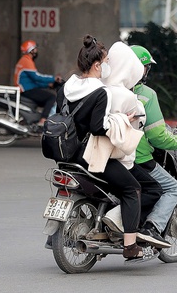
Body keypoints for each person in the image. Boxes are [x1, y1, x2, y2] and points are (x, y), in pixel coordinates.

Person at [54, 34, 159, 261]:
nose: (109, 66)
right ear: (97, 65)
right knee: (132, 188)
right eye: (106, 62)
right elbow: (98, 128)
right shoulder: (100, 92)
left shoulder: (65, 87)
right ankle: (130, 246)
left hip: (66, 153)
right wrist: (123, 119)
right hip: (90, 155)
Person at [100, 41, 167, 247]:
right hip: (113, 156)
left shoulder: (88, 86)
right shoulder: (131, 96)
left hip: (79, 153)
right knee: (139, 189)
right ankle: (130, 243)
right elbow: (152, 134)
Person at [126, 44, 177, 245]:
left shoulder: (106, 88)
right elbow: (157, 137)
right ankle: (151, 228)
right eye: (146, 67)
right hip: (138, 158)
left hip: (105, 156)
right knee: (173, 188)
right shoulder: (146, 95)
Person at [13, 40, 62, 126]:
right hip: (26, 90)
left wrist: (48, 85)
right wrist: (53, 78)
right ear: (31, 50)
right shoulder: (26, 61)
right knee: (51, 97)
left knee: (45, 99)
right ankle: (43, 121)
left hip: (27, 88)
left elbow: (33, 81)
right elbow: (37, 77)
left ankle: (35, 120)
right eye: (35, 49)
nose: (36, 51)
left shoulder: (25, 60)